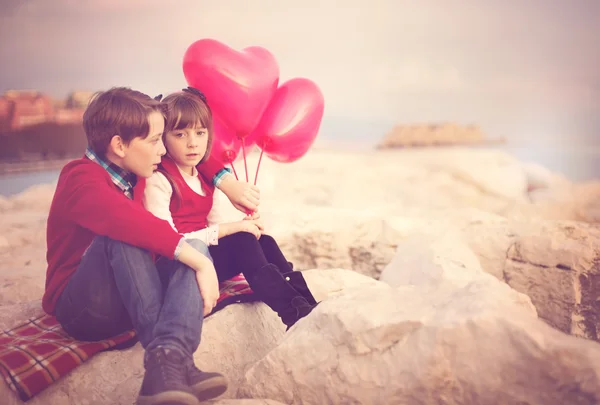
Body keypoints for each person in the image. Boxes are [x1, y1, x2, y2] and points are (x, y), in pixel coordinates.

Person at [43, 87, 259, 405]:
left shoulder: (136, 171)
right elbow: (125, 221)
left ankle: (170, 357)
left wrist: (226, 182)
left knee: (191, 245)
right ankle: (165, 363)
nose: (164, 150)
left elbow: (195, 153)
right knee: (125, 235)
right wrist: (202, 263)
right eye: (156, 140)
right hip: (85, 308)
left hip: (131, 299)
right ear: (119, 145)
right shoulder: (80, 178)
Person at [142, 87, 318, 331]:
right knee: (242, 240)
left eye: (200, 133)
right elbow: (167, 241)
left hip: (202, 258)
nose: (193, 143)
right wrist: (236, 229)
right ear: (163, 138)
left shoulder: (204, 178)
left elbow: (214, 228)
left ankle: (305, 304)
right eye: (180, 135)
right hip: (175, 266)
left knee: (262, 240)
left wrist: (246, 227)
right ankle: (291, 313)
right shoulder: (159, 179)